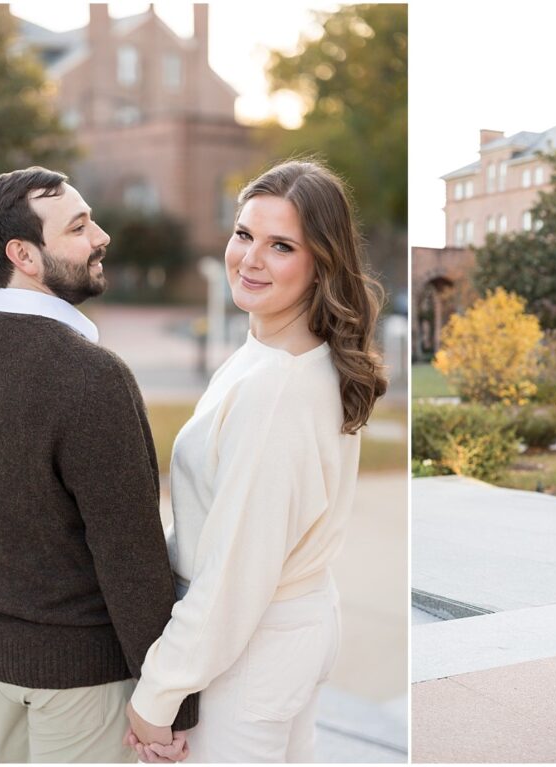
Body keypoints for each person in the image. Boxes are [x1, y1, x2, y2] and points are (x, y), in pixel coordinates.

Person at [0, 167, 197, 762]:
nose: (102, 236)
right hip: (74, 678)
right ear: (25, 255)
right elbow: (130, 556)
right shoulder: (91, 377)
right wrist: (170, 703)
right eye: (79, 226)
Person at [123, 160, 388, 763]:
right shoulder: (281, 353)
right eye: (244, 234)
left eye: (281, 246)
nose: (251, 258)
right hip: (287, 628)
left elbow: (236, 571)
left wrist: (158, 694)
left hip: (251, 645)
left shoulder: (278, 388)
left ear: (320, 262)